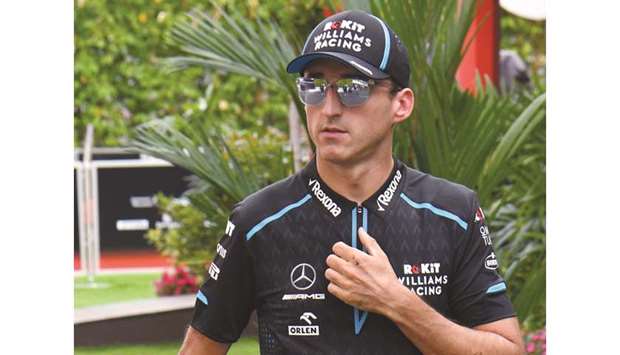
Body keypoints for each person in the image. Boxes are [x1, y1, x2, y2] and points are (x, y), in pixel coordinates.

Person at [179, 9, 524, 355]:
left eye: (353, 87)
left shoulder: (452, 212)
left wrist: (398, 303)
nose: (329, 108)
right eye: (313, 86)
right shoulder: (259, 221)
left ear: (401, 105)